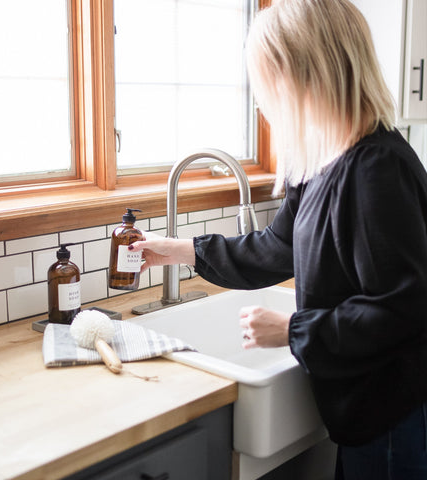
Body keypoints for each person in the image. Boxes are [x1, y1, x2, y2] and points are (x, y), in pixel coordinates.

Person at [129, 0, 427, 478]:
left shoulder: (375, 169)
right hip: (361, 411)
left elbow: (402, 310)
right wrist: (179, 250)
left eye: (267, 81)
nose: (261, 100)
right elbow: (276, 247)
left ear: (307, 74)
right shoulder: (322, 162)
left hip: (391, 416)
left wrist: (293, 331)